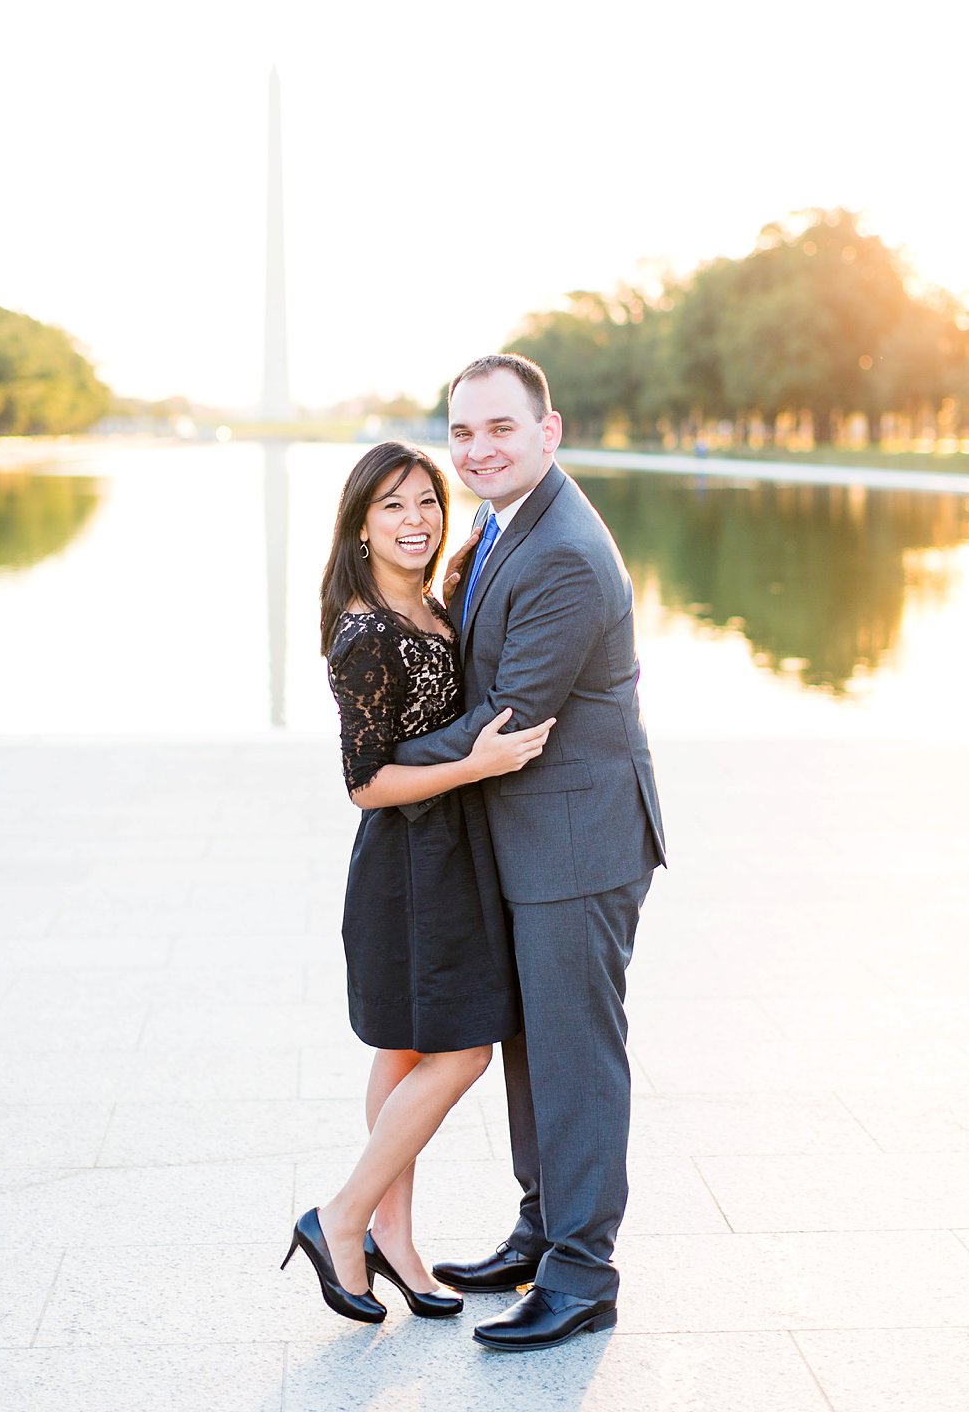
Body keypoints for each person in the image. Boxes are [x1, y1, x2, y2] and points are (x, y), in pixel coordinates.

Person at [398, 354, 667, 1352]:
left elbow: (508, 714)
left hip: (576, 842)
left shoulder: (562, 550)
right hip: (527, 835)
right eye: (461, 433)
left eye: (499, 429)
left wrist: (375, 761)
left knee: (574, 1059)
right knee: (528, 1045)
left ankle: (582, 1273)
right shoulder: (500, 522)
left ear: (545, 432)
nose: (477, 450)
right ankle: (540, 1230)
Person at [284, 440, 553, 1325]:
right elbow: (365, 783)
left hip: (446, 854)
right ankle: (342, 1216)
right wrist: (474, 767)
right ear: (360, 525)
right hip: (408, 866)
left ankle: (391, 1239)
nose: (415, 521)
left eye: (426, 504)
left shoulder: (433, 605)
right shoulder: (367, 632)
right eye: (392, 507)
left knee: (401, 1051)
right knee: (461, 1049)